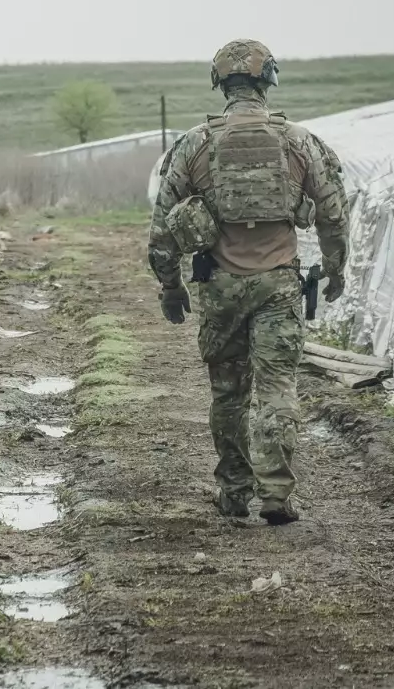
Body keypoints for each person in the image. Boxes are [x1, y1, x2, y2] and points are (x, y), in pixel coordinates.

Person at [147, 39, 349, 525]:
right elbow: (333, 214)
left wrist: (171, 286)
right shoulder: (300, 141)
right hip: (279, 286)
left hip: (219, 288)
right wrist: (335, 268)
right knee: (278, 386)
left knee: (228, 392)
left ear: (220, 84)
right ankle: (276, 494)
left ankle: (233, 492)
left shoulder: (195, 144)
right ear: (269, 79)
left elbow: (162, 229)